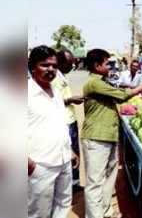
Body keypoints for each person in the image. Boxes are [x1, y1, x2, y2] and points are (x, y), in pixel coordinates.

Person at [81, 49, 142, 218]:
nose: (110, 67)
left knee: (109, 176)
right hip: (96, 137)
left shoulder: (103, 81)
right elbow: (122, 95)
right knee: (95, 181)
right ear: (97, 65)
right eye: (107, 63)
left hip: (109, 135)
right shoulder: (94, 83)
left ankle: (105, 211)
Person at [28, 45, 78, 218]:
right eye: (45, 65)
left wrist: (70, 150)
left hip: (63, 160)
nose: (51, 69)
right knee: (38, 212)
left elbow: (60, 123)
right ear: (33, 67)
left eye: (54, 66)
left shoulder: (56, 91)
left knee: (63, 205)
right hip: (40, 165)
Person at [52, 49, 84, 191]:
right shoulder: (54, 78)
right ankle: (65, 185)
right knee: (67, 153)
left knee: (75, 151)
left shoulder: (63, 75)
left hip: (71, 119)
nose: (72, 66)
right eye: (69, 63)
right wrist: (70, 100)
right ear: (60, 62)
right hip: (63, 121)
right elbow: (52, 101)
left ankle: (75, 183)